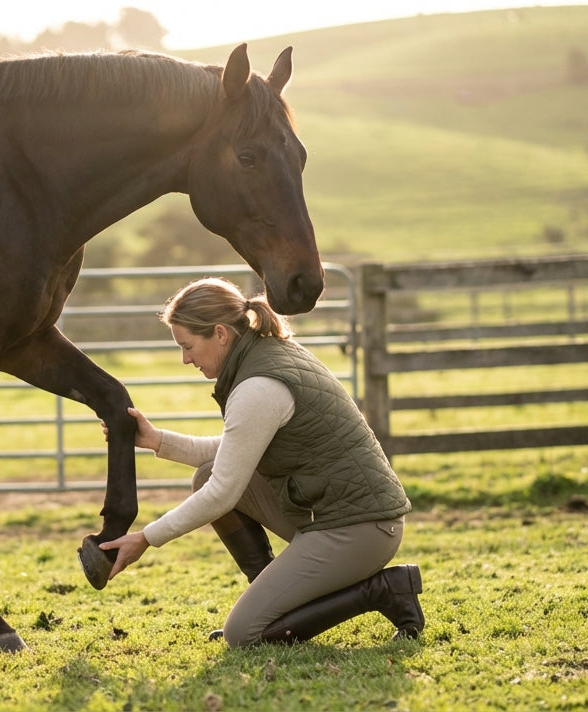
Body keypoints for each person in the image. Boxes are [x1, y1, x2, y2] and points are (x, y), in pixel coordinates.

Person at [98, 277, 424, 647]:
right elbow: (236, 454)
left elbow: (224, 494)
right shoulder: (267, 355)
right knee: (207, 477)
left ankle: (386, 590)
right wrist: (156, 440)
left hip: (358, 529)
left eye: (188, 346)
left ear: (220, 334)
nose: (186, 358)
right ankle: (273, 601)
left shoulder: (259, 386)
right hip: (328, 513)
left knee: (245, 635)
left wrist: (146, 538)